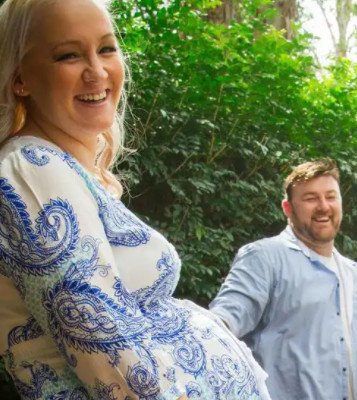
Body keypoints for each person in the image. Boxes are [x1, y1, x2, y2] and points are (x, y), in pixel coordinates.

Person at [0, 1, 270, 399]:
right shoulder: (31, 168)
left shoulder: (59, 168)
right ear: (20, 77)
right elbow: (114, 361)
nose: (97, 71)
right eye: (69, 55)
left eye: (106, 49)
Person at [210, 159, 357, 400]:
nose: (323, 206)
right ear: (287, 208)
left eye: (331, 197)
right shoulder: (264, 258)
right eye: (311, 198)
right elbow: (222, 322)